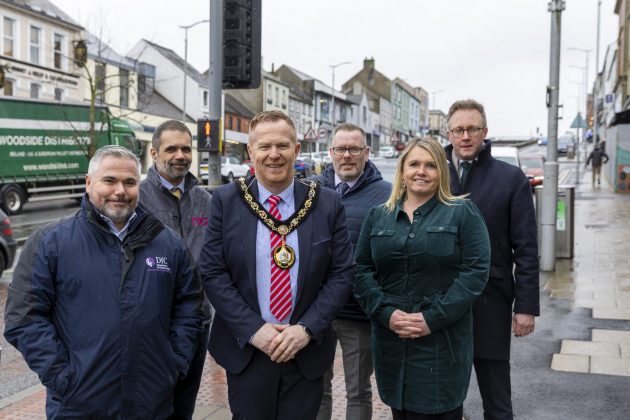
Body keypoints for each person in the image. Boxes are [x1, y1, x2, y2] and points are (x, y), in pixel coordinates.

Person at [4, 145, 204, 419]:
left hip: (152, 404)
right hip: (78, 406)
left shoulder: (168, 244)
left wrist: (173, 365)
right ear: (89, 183)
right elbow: (23, 318)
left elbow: (189, 308)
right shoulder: (51, 243)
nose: (120, 191)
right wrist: (64, 377)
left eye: (129, 182)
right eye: (109, 180)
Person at [199, 110, 355, 419]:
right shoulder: (226, 201)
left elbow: (342, 273)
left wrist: (306, 329)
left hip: (304, 350)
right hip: (248, 349)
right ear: (250, 152)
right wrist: (254, 330)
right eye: (265, 146)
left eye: (283, 145)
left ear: (296, 150)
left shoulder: (325, 203)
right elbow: (213, 272)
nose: (274, 155)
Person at [354, 137, 490, 420]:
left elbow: (475, 273)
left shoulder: (462, 213)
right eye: (414, 164)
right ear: (402, 170)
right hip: (392, 342)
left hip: (442, 345)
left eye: (430, 165)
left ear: (441, 171)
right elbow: (360, 270)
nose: (421, 171)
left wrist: (433, 318)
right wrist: (385, 313)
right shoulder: (379, 216)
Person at [445, 99, 540, 420]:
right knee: (443, 399)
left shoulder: (510, 178)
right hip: (439, 302)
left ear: (485, 132)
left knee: (496, 399)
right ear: (449, 133)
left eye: (472, 129)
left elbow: (526, 247)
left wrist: (525, 307)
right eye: (459, 130)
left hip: (491, 302)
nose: (466, 136)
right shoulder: (429, 172)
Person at [312, 123, 391, 420]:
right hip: (316, 309)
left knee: (358, 390)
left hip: (359, 311)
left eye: (354, 149)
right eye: (340, 149)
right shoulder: (311, 190)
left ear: (366, 153)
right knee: (317, 386)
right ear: (330, 152)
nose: (347, 155)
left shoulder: (386, 195)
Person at [139, 119, 213, 419]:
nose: (180, 155)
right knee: (152, 404)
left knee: (184, 404)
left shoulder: (205, 200)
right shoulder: (137, 200)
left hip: (197, 321)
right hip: (153, 322)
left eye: (186, 148)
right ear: (154, 153)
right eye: (171, 149)